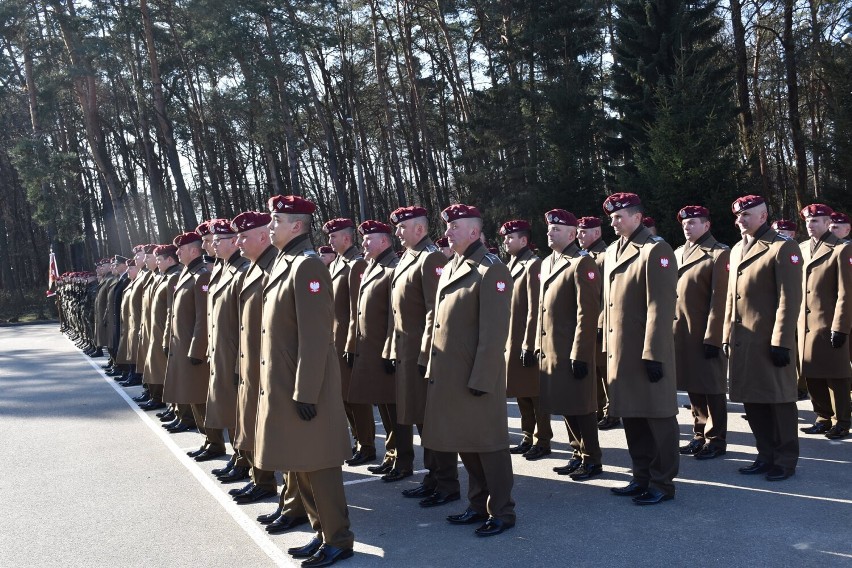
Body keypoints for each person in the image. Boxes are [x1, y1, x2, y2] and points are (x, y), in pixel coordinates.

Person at [256, 195, 355, 566]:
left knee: (320, 466)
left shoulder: (308, 266)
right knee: (301, 462)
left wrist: (306, 390)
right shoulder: (287, 262)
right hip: (287, 383)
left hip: (304, 387)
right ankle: (321, 533)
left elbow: (316, 336)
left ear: (296, 226)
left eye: (276, 220)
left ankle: (338, 539)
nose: (270, 226)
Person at [425, 204, 516, 537]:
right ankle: (478, 505)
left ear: (475, 232)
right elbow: (436, 321)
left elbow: (494, 333)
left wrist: (482, 378)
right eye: (447, 227)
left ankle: (503, 511)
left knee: (489, 447)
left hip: (477, 377)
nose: (448, 233)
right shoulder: (451, 267)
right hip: (450, 375)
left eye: (455, 227)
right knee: (466, 443)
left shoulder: (492, 269)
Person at [602, 192, 679, 505]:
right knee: (632, 416)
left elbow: (660, 306)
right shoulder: (612, 250)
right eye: (612, 217)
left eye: (619, 216)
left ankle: (663, 482)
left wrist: (654, 353)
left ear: (636, 217)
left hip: (646, 352)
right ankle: (641, 476)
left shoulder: (655, 250)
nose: (614, 222)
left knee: (657, 418)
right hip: (621, 351)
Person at [231, 211, 305, 529]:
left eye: (244, 236)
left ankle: (293, 504)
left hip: (278, 368)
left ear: (262, 237)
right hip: (258, 366)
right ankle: (286, 501)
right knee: (270, 435)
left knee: (286, 440)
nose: (238, 242)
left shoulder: (280, 267)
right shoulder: (258, 268)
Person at [724, 195, 803, 481]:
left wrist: (781, 341)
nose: (740, 220)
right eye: (737, 216)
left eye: (746, 215)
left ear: (763, 215)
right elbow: (731, 299)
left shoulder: (783, 246)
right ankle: (765, 455)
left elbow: (789, 298)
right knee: (753, 401)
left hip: (770, 340)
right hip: (744, 340)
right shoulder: (735, 250)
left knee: (779, 402)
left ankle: (785, 460)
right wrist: (726, 334)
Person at [386, 206, 460, 503]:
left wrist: (425, 354)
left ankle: (447, 483)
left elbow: (435, 310)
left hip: (422, 355)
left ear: (419, 229)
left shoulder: (430, 258)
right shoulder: (408, 257)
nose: (397, 233)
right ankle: (433, 476)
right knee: (419, 417)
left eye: (402, 228)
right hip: (407, 352)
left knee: (432, 421)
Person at [537, 210, 602, 480]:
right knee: (565, 404)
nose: (551, 233)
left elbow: (587, 312)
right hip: (552, 348)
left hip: (572, 349)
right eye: (550, 228)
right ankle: (577, 453)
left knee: (582, 407)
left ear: (572, 234)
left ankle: (592, 459)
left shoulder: (581, 263)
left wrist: (580, 353)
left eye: (557, 229)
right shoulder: (547, 262)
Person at [672, 206, 730, 460]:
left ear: (707, 225)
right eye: (685, 223)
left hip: (705, 332)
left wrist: (714, 336)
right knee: (693, 385)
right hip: (682, 331)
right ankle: (699, 433)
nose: (687, 227)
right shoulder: (677, 253)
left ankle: (716, 439)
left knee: (712, 386)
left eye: (693, 222)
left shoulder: (719, 254)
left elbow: (720, 299)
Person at [346, 220, 399, 473]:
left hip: (385, 351)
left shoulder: (392, 268)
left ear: (384, 241)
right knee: (384, 406)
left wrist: (389, 349)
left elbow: (394, 315)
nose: (364, 244)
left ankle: (399, 457)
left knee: (393, 408)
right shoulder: (372, 267)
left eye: (369, 239)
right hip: (371, 350)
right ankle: (392, 456)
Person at [797, 204, 851, 440]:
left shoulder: (840, 249)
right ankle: (822, 417)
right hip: (804, 322)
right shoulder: (801, 249)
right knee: (811, 372)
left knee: (836, 375)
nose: (810, 225)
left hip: (828, 322)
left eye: (816, 221)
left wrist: (840, 326)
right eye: (808, 221)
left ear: (829, 222)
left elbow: (846, 293)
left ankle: (842, 421)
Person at [201, 219, 252, 466]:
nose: (210, 245)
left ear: (233, 242)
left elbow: (246, 323)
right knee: (228, 408)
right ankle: (239, 457)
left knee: (239, 411)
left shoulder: (241, 271)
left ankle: (246, 463)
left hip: (235, 355)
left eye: (216, 241)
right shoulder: (223, 269)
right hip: (222, 352)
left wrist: (237, 362)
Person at [499, 220, 551, 460]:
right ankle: (527, 435)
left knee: (534, 392)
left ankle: (543, 439)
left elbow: (535, 308)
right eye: (505, 237)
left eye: (510, 238)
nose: (506, 241)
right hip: (512, 339)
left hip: (524, 340)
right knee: (520, 390)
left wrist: (529, 344)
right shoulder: (511, 264)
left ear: (523, 240)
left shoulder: (533, 264)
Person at [324, 218, 374, 466]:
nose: (329, 241)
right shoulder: (336, 265)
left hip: (347, 342)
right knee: (343, 396)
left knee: (355, 397)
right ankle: (357, 440)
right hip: (335, 340)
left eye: (333, 236)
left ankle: (367, 445)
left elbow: (357, 309)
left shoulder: (356, 265)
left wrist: (352, 344)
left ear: (346, 238)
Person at [163, 232, 214, 444]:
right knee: (191, 394)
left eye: (180, 250)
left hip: (192, 346)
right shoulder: (186, 274)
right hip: (181, 344)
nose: (177, 253)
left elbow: (202, 317)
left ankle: (214, 442)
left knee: (200, 396)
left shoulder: (201, 275)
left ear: (193, 251)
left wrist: (197, 348)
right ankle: (208, 440)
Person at [577, 216, 619, 430]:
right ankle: (599, 407)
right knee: (593, 370)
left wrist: (601, 324)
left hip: (600, 323)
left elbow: (605, 296)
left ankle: (612, 411)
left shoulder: (605, 256)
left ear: (596, 233)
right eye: (578, 231)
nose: (579, 236)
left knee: (604, 370)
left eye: (584, 232)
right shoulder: (584, 257)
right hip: (587, 323)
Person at [144, 245, 182, 421]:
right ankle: (172, 408)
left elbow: (170, 310)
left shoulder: (174, 277)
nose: (157, 263)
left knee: (171, 374)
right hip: (158, 331)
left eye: (159, 259)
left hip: (165, 333)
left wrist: (166, 335)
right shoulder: (165, 277)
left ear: (169, 259)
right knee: (164, 372)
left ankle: (179, 411)